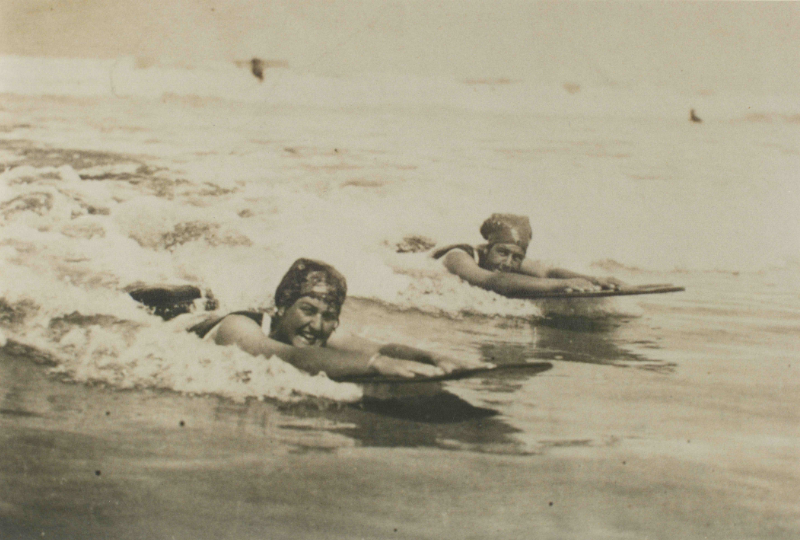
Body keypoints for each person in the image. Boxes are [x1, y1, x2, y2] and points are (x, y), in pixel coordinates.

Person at [190, 258, 489, 379]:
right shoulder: (239, 329)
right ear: (282, 306)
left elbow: (377, 348)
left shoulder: (319, 331)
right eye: (307, 310)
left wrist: (433, 357)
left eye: (328, 316)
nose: (317, 326)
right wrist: (373, 368)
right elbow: (291, 357)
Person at [433, 214, 625, 297]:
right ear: (488, 247)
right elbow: (490, 280)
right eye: (502, 253)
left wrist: (595, 280)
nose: (508, 263)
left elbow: (549, 272)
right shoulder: (458, 256)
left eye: (516, 257)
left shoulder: (509, 258)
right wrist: (561, 285)